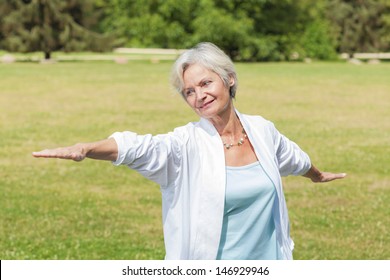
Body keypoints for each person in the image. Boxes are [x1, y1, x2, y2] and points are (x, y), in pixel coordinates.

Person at [32, 42, 346, 260]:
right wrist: (86, 148)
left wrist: (317, 175)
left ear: (229, 79)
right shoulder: (185, 146)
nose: (199, 96)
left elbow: (292, 157)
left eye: (206, 83)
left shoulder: (262, 130)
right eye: (189, 92)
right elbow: (138, 147)